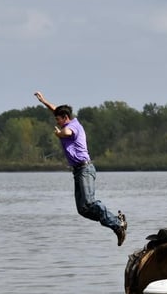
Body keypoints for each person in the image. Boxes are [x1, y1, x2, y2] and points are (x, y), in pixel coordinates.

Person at [34, 91, 127, 246]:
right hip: (77, 171)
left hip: (85, 169)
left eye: (58, 119)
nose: (56, 122)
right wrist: (44, 101)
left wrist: (59, 134)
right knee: (83, 209)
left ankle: (117, 224)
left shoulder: (73, 127)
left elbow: (67, 132)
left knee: (90, 202)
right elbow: (55, 109)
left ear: (65, 118)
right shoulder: (66, 119)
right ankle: (115, 221)